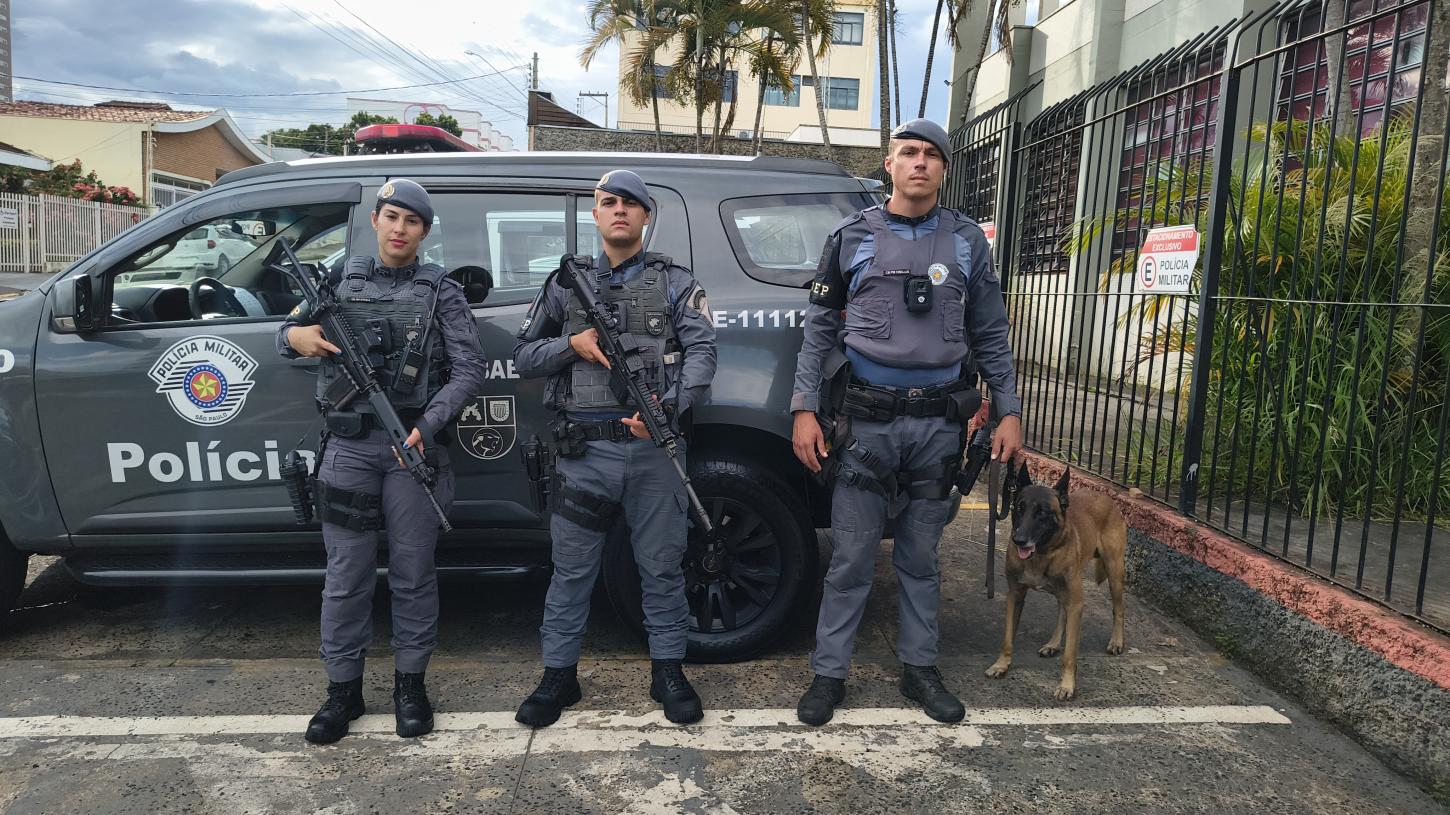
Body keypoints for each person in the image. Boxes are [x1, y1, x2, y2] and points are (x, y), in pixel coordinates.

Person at [789, 119, 1023, 725]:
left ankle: (920, 669)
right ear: (888, 166)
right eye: (907, 153)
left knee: (921, 556)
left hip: (938, 427)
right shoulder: (849, 237)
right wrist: (805, 410)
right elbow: (818, 331)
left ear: (944, 168)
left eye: (930, 155)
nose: (919, 162)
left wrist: (1009, 410)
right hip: (865, 424)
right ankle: (829, 674)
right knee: (851, 557)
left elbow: (991, 334)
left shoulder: (969, 242)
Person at [278, 179, 486, 743]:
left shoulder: (441, 290)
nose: (400, 229)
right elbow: (287, 333)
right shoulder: (337, 280)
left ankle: (410, 685)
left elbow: (469, 369)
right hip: (348, 448)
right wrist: (296, 335)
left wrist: (427, 425)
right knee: (345, 577)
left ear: (424, 231)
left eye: (412, 221)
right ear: (375, 220)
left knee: (414, 574)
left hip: (413, 448)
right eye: (391, 217)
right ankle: (342, 691)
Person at [512, 169, 718, 727]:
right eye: (609, 202)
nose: (619, 210)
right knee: (572, 569)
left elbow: (702, 353)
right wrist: (570, 345)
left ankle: (669, 670)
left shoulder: (675, 282)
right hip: (584, 452)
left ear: (647, 216)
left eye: (631, 203)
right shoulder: (565, 284)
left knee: (662, 567)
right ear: (596, 215)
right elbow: (524, 356)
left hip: (653, 449)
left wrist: (671, 407)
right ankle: (559, 676)